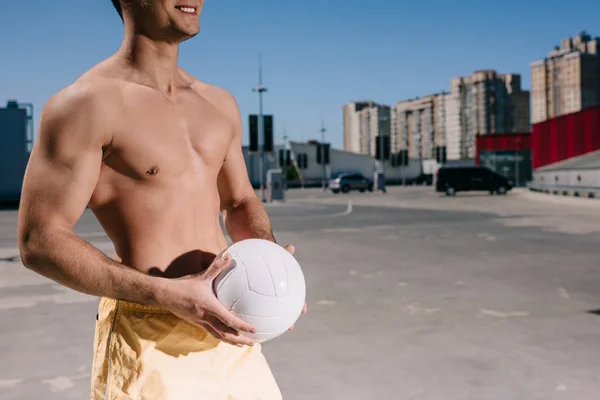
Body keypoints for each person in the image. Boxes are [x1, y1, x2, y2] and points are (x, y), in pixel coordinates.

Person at [17, 1, 305, 399]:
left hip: (232, 330)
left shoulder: (218, 103)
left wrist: (271, 275)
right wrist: (167, 294)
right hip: (148, 335)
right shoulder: (85, 104)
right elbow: (39, 241)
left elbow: (239, 202)